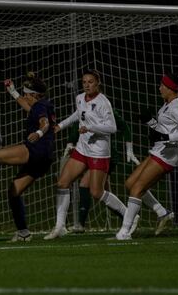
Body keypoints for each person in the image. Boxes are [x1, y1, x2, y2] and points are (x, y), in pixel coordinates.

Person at [0, 72, 56, 242]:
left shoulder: (39, 108)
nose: (25, 97)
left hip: (35, 150)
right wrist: (13, 91)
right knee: (14, 192)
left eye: (26, 95)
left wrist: (38, 133)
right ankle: (24, 233)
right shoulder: (44, 104)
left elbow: (44, 123)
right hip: (46, 159)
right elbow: (28, 107)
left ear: (34, 95)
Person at [44, 69, 130, 240]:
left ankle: (129, 216)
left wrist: (91, 128)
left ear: (98, 83)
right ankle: (59, 226)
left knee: (97, 192)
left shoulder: (103, 103)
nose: (87, 85)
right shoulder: (80, 98)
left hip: (99, 151)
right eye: (84, 82)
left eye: (90, 82)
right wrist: (61, 125)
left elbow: (112, 127)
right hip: (83, 149)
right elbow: (78, 114)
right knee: (62, 182)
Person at [116, 72, 178, 240]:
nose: (159, 88)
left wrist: (166, 137)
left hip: (167, 155)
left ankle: (124, 232)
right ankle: (162, 212)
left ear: (171, 89)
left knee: (137, 189)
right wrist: (150, 122)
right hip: (159, 150)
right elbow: (164, 130)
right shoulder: (167, 105)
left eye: (162, 86)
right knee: (130, 183)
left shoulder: (177, 105)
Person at [69, 109, 142, 234]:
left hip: (106, 156)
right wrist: (70, 142)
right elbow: (77, 125)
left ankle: (129, 217)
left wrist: (129, 150)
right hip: (92, 155)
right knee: (101, 193)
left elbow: (124, 127)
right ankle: (128, 219)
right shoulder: (83, 107)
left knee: (87, 186)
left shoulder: (106, 109)